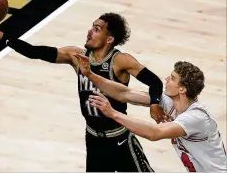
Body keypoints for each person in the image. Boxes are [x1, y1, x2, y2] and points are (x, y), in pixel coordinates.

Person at [0, 12, 167, 172]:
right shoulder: (76, 56)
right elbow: (34, 52)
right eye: (92, 26)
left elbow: (154, 82)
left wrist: (155, 103)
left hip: (120, 139)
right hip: (93, 139)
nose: (90, 31)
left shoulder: (120, 61)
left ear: (109, 39)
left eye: (97, 29)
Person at [75, 54, 227, 172]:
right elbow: (125, 93)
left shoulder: (197, 118)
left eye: (172, 78)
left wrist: (113, 113)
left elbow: (154, 133)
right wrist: (90, 75)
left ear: (182, 89)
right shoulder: (170, 102)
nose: (166, 79)